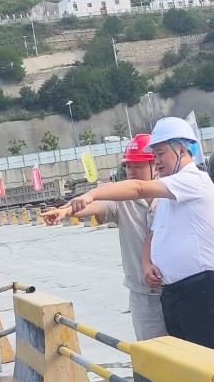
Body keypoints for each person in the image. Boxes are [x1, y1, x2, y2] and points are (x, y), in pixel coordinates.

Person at [67, 116, 214, 350]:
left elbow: (139, 188)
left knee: (206, 361)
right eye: (154, 155)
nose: (157, 161)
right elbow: (153, 233)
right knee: (177, 361)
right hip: (170, 292)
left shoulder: (192, 181)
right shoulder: (169, 192)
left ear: (181, 150)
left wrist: (91, 194)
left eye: (160, 154)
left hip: (197, 288)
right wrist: (146, 264)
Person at [43, 133, 166, 340]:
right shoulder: (120, 200)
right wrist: (65, 211)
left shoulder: (169, 193)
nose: (131, 172)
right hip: (143, 295)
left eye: (138, 166)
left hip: (175, 289)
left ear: (155, 165)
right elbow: (95, 206)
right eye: (128, 166)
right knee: (152, 352)